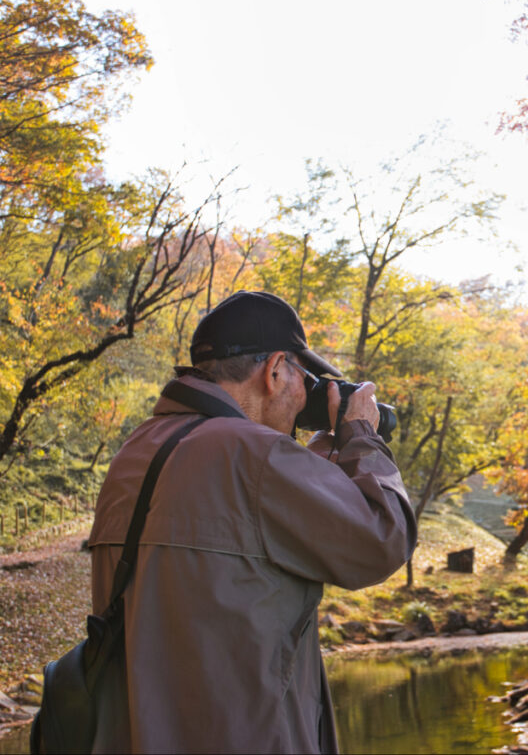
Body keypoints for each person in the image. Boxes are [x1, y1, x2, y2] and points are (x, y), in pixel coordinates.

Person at [87, 291, 417, 753]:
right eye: (303, 378)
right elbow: (383, 539)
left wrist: (318, 461)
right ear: (275, 369)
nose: (304, 395)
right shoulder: (254, 455)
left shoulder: (136, 452)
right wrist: (360, 435)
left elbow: (241, 541)